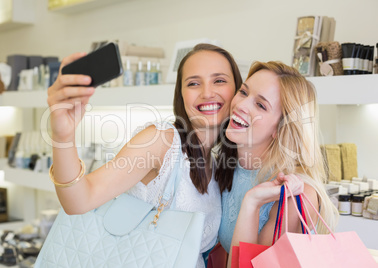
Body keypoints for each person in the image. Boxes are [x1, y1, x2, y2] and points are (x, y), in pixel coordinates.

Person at [46, 43, 243, 267]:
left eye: (219, 80)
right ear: (181, 94)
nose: (207, 92)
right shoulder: (161, 141)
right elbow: (79, 200)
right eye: (193, 83)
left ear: (237, 91)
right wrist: (62, 137)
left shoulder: (217, 164)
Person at [214, 61, 339, 266]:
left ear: (281, 128)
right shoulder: (227, 167)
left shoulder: (296, 194)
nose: (241, 105)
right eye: (244, 92)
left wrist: (252, 202)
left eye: (261, 105)